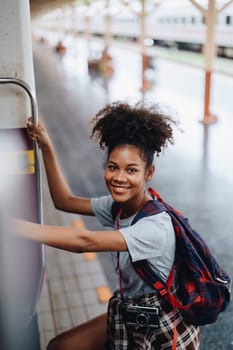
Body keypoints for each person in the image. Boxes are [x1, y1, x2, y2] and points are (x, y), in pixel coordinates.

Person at [10, 102, 200, 349]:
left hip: (164, 328)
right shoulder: (118, 206)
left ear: (148, 172)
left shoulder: (155, 228)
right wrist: (46, 147)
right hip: (132, 312)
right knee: (61, 346)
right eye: (113, 167)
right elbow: (64, 201)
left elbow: (84, 242)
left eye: (131, 170)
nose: (119, 178)